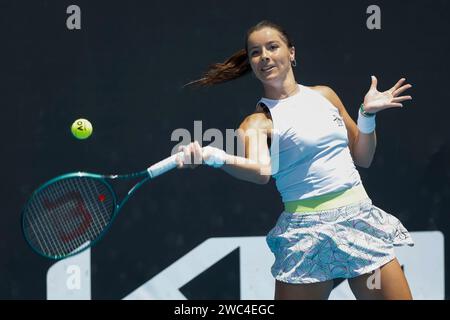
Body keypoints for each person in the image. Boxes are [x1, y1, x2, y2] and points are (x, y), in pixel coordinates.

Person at [176, 20, 414, 300]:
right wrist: (214, 156)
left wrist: (367, 116)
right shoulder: (256, 123)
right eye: (255, 52)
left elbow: (363, 156)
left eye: (272, 47)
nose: (264, 56)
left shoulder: (326, 96)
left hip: (358, 219)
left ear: (291, 53)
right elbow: (261, 171)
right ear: (252, 64)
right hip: (306, 234)